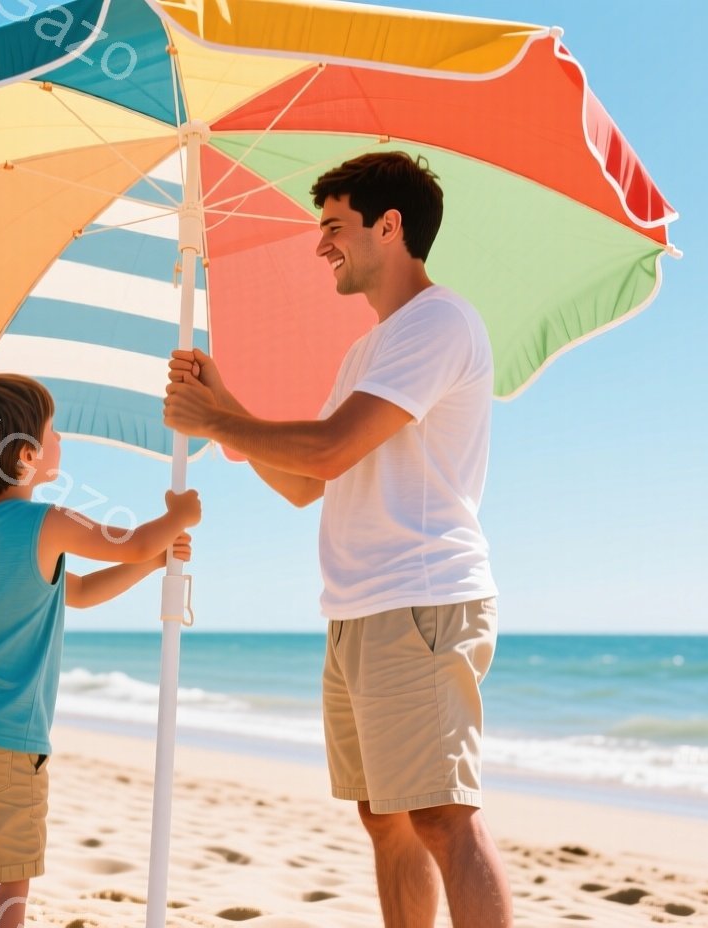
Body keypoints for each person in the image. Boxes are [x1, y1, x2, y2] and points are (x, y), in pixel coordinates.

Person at [163, 152, 512, 928]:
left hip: (420, 599)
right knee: (383, 817)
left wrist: (216, 421)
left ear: (389, 227)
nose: (321, 245)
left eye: (333, 227)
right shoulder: (369, 348)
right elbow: (306, 483)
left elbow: (327, 449)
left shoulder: (441, 321)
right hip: (360, 608)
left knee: (441, 816)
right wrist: (227, 408)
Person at [0, 373, 199, 928]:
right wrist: (178, 516)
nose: (60, 440)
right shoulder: (48, 520)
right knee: (5, 888)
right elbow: (132, 538)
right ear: (23, 457)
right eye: (53, 430)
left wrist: (154, 563)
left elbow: (78, 593)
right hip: (0, 739)